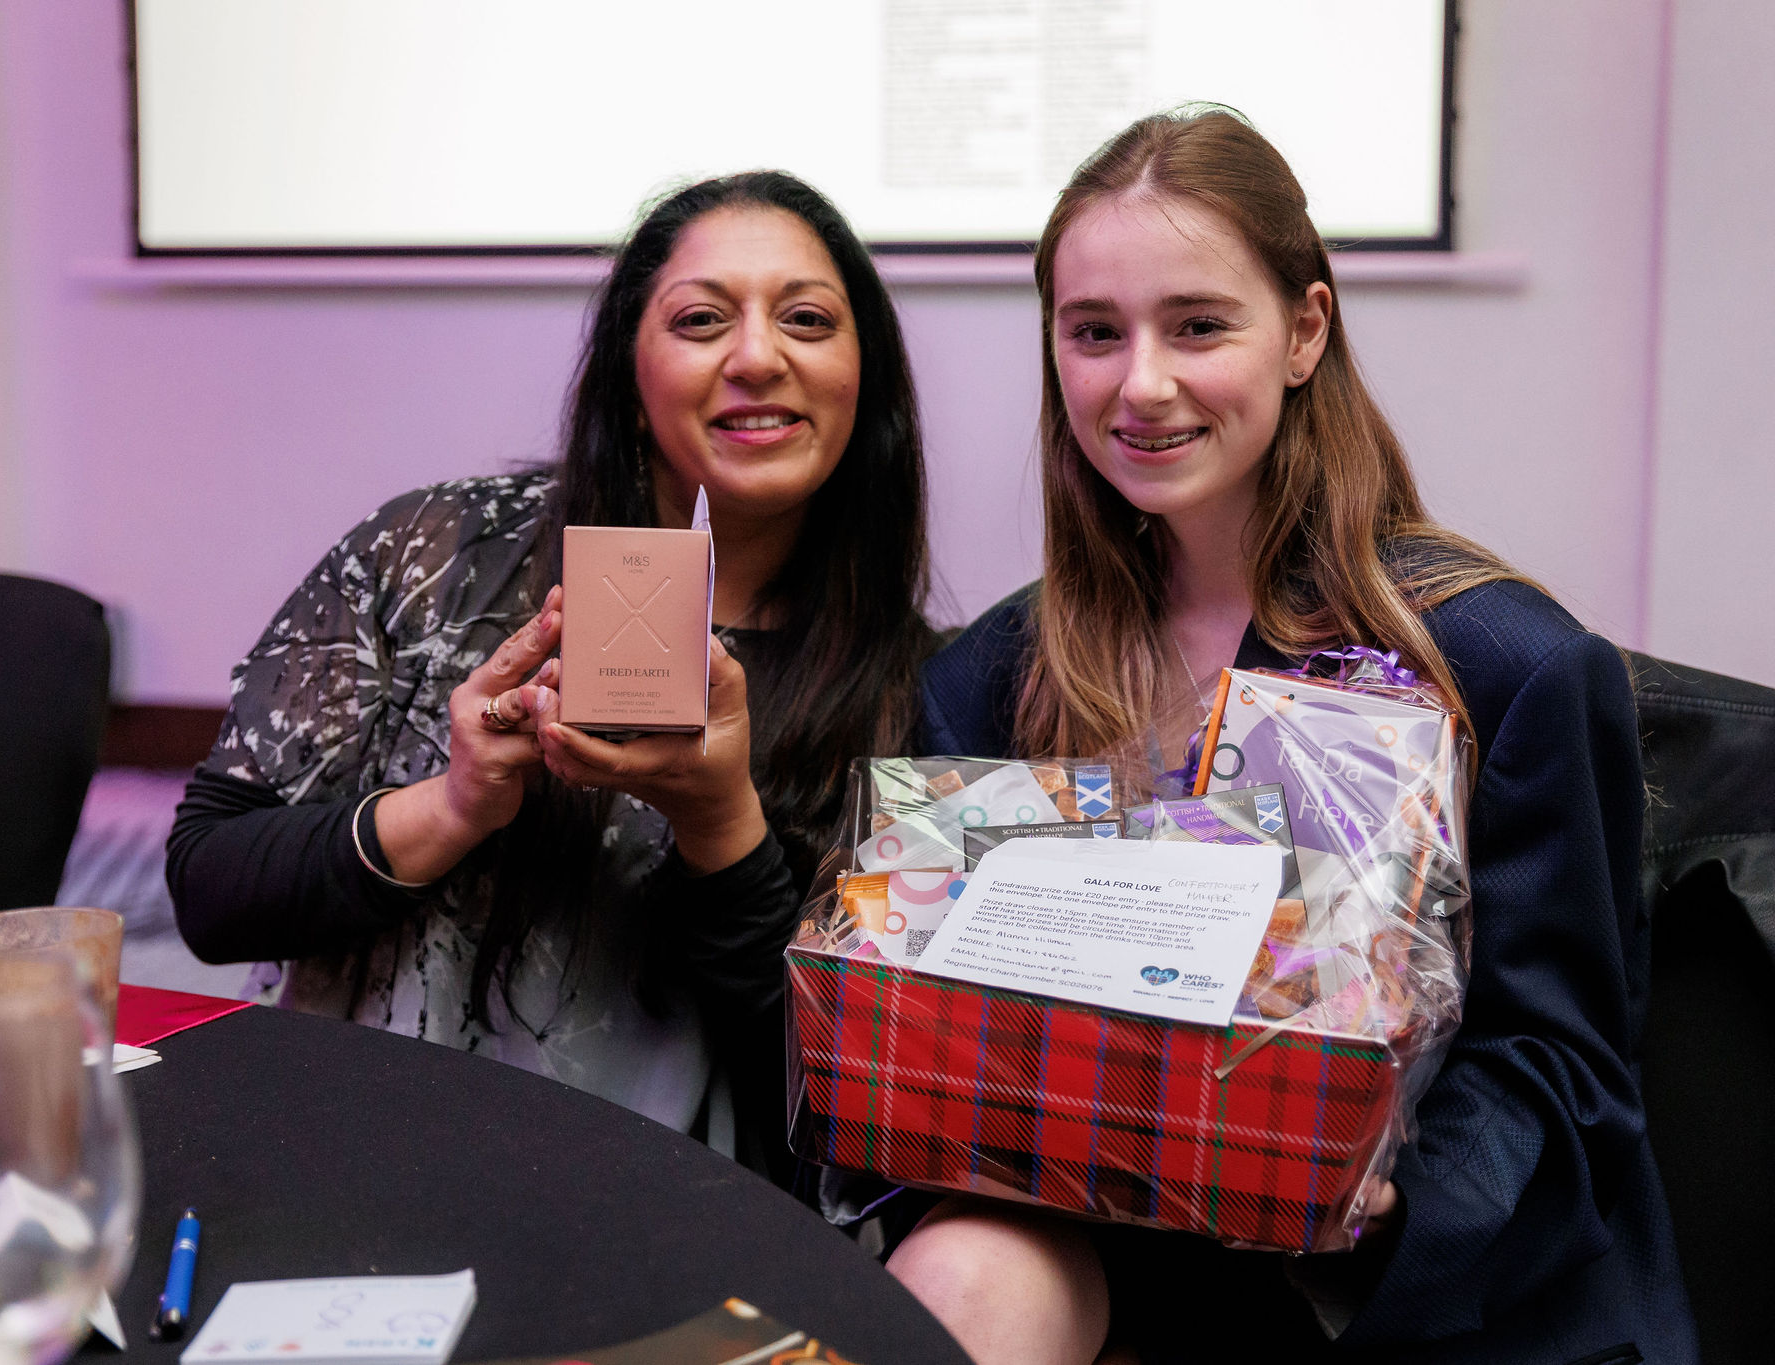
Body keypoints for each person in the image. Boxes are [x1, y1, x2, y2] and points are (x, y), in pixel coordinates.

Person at [899, 109, 1697, 1364]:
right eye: (1094, 333)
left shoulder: (1503, 668)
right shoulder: (992, 678)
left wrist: (1380, 1200)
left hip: (1390, 1289)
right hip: (1114, 1246)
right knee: (953, 1273)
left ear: (1303, 332)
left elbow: (1560, 1074)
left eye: (1196, 326)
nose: (1139, 384)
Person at [166, 172, 934, 1182]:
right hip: (359, 1155)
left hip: (665, 1209)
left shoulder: (916, 689)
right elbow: (211, 890)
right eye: (701, 320)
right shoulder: (437, 556)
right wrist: (452, 806)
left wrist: (720, 825)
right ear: (631, 375)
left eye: (806, 319)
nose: (757, 356)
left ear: (863, 380)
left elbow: (850, 1110)